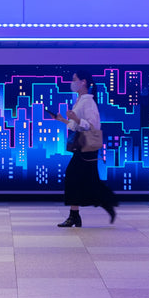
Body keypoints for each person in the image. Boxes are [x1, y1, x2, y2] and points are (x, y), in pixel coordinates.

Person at [49, 70, 118, 227]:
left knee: (74, 177)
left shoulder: (88, 102)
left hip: (87, 147)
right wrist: (63, 120)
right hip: (82, 146)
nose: (72, 82)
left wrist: (76, 118)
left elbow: (93, 125)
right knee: (86, 180)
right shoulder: (80, 100)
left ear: (83, 82)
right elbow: (76, 125)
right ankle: (91, 209)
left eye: (74, 79)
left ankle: (78, 214)